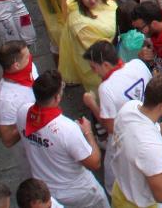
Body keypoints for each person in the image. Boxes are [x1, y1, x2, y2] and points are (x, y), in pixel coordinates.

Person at [14, 68, 107, 208]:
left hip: (46, 190)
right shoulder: (67, 129)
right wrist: (88, 132)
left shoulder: (23, 112)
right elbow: (95, 163)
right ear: (57, 97)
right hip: (79, 192)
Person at [107, 73, 162, 208]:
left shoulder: (130, 107)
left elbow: (147, 131)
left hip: (121, 191)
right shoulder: (152, 147)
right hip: (140, 204)